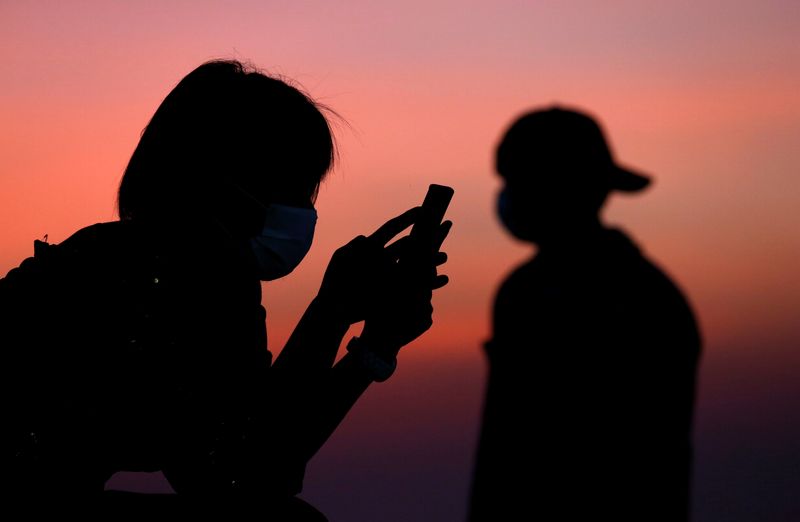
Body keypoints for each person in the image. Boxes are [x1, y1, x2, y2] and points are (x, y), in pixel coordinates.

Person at [1, 60, 450, 515]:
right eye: (297, 187)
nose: (305, 208)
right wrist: (341, 320)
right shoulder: (194, 275)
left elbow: (247, 437)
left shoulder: (110, 252)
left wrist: (360, 335)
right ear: (230, 180)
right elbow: (249, 474)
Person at [469, 107, 701, 521]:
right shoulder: (654, 292)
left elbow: (509, 444)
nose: (510, 195)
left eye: (519, 181)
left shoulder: (530, 292)